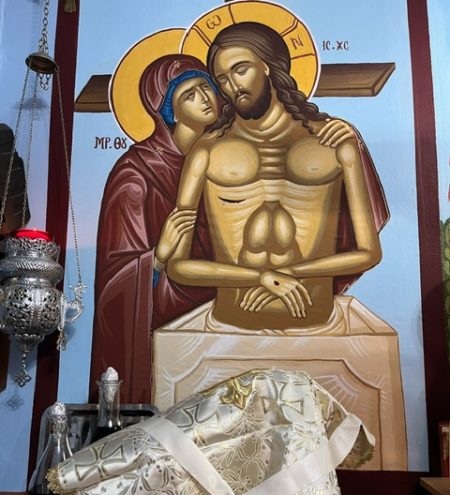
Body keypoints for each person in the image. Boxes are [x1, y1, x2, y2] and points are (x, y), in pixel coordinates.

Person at [167, 22, 389, 331]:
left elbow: (368, 252)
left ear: (268, 66)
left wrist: (291, 273)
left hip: (314, 318)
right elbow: (178, 265)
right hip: (232, 317)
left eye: (240, 70)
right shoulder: (206, 151)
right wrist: (261, 277)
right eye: (222, 79)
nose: (233, 86)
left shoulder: (335, 141)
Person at [90, 54, 219, 404]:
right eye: (190, 94)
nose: (205, 98)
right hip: (163, 306)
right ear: (170, 112)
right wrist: (158, 256)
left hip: (217, 297)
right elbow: (113, 280)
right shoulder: (135, 174)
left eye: (206, 86)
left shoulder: (227, 158)